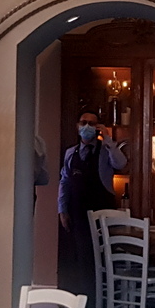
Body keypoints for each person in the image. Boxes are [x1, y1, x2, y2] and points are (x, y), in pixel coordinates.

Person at [56, 112, 127, 297]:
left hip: (102, 210)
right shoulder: (71, 153)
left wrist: (108, 139)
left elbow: (120, 163)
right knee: (82, 259)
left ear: (98, 127)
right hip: (77, 212)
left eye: (92, 124)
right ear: (77, 126)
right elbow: (64, 182)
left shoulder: (105, 150)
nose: (87, 126)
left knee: (103, 258)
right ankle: (84, 301)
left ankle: (104, 301)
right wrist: (62, 209)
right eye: (83, 123)